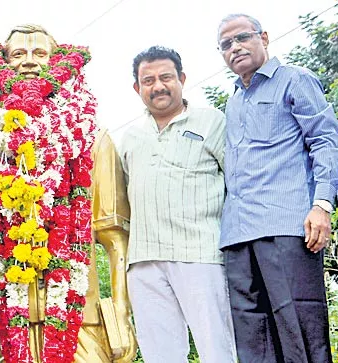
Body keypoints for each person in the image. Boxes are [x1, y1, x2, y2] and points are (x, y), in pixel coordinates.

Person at [0, 24, 137, 363]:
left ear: (58, 62)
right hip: (0, 325)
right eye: (17, 54)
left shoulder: (92, 138)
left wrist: (122, 316)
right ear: (1, 63)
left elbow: (115, 240)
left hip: (82, 318)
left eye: (40, 53)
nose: (28, 62)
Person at [217, 13, 338, 362]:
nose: (235, 48)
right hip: (237, 235)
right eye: (226, 44)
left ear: (264, 37)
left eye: (242, 38)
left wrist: (322, 205)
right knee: (254, 341)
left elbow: (325, 141)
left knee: (300, 329)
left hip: (285, 227)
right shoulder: (234, 100)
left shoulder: (294, 80)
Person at [119, 46, 236, 363]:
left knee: (217, 350)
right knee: (160, 355)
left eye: (166, 77)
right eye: (148, 80)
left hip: (200, 256)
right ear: (137, 88)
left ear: (182, 79)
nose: (158, 86)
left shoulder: (212, 121)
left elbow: (238, 183)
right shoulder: (129, 138)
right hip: (143, 261)